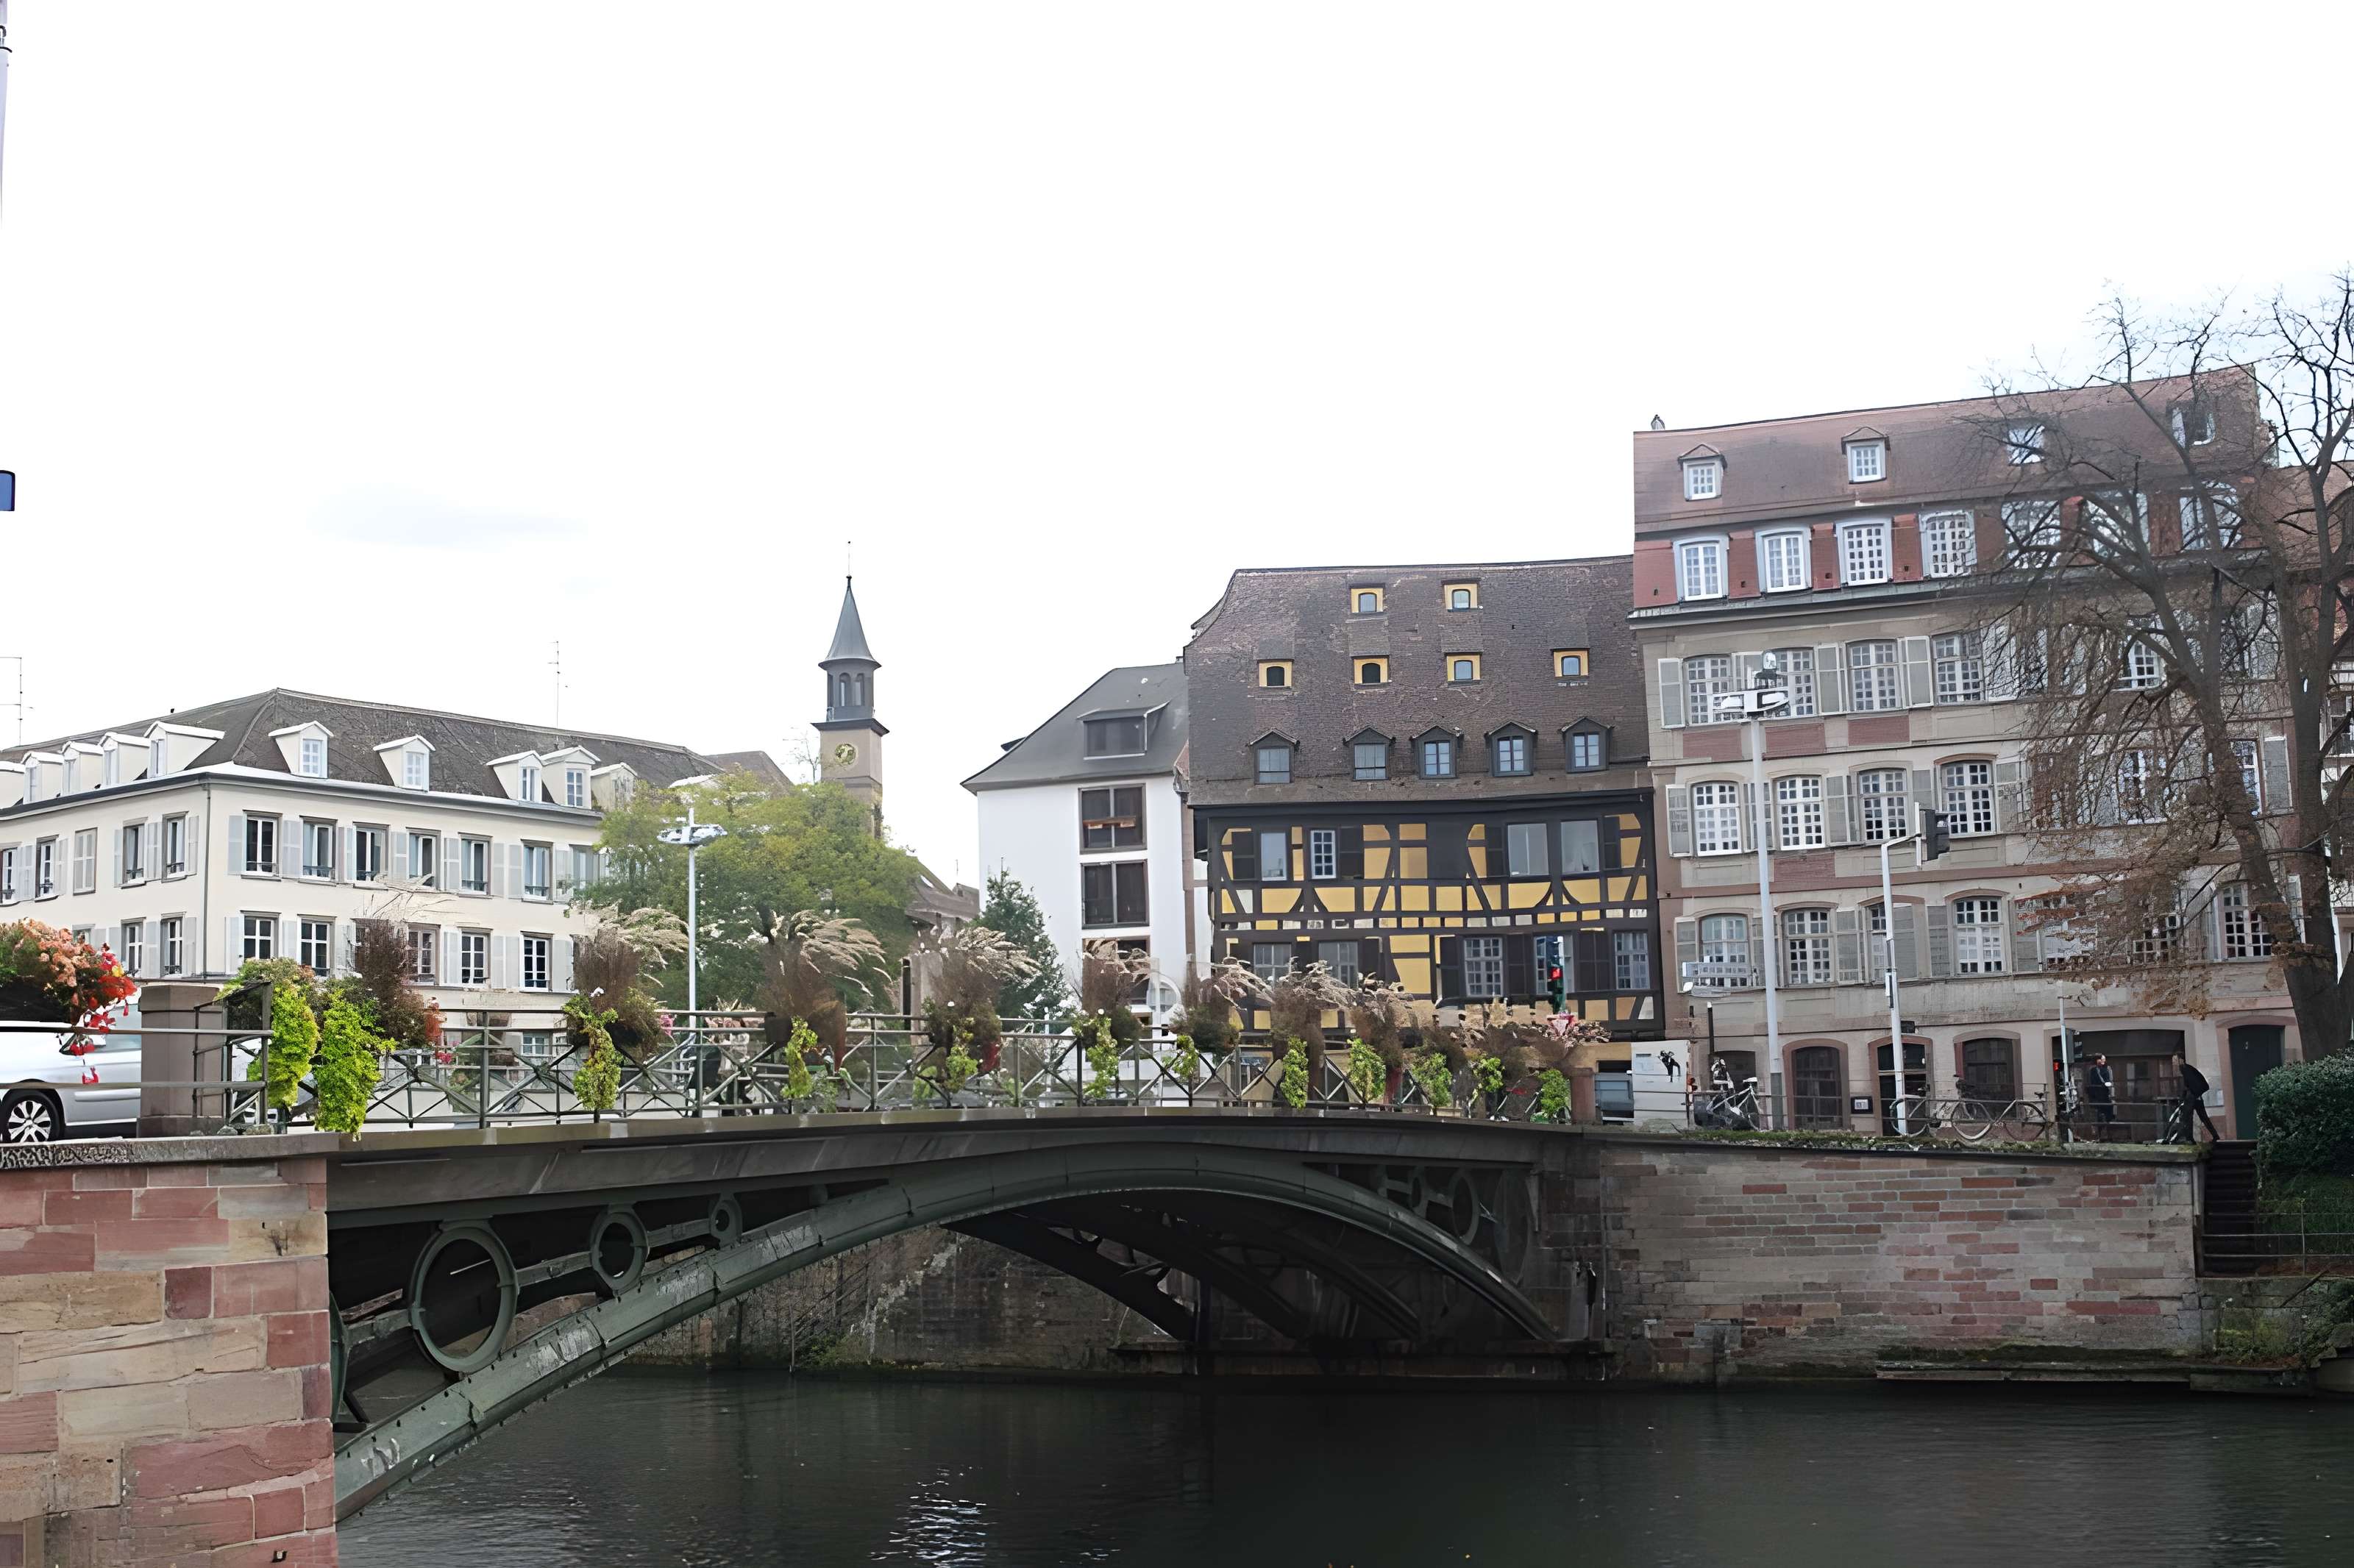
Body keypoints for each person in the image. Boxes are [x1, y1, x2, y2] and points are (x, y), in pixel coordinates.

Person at [2173, 1051, 2221, 1143]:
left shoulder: (2186, 1069)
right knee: (2202, 1118)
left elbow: (2192, 1084)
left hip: (2193, 1097)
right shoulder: (2186, 1069)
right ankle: (2215, 1136)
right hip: (2195, 1097)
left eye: (2175, 1060)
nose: (2174, 1062)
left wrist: (2194, 1095)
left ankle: (2189, 1139)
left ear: (2181, 1060)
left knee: (2188, 1118)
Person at [2085, 1054, 2116, 1138]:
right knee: (2098, 1115)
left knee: (2107, 1115)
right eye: (2101, 1059)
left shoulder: (2107, 1069)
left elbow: (2110, 1081)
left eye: (2104, 1059)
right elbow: (2090, 1083)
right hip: (2096, 1096)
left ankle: (2108, 1134)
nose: (2103, 1061)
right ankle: (2098, 1135)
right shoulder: (2092, 1070)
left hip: (2105, 1095)